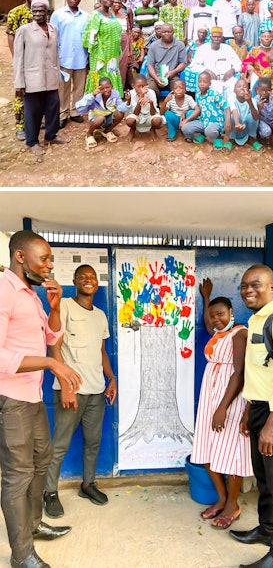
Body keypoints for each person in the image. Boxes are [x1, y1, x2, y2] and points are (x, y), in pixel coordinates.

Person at [0, 231, 85, 568]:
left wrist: (54, 308)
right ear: (20, 257)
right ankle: (21, 555)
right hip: (11, 399)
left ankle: (33, 526)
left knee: (41, 462)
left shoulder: (31, 295)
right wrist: (52, 363)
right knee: (17, 475)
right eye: (45, 258)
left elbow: (51, 335)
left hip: (31, 396)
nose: (50, 265)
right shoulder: (4, 291)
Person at [229, 264, 273, 568]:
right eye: (244, 286)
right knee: (265, 481)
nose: (248, 291)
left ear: (272, 287)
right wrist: (248, 409)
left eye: (255, 285)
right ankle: (267, 531)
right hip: (258, 410)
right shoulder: (255, 321)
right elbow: (260, 371)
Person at [41, 264, 114, 520]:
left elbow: (102, 351)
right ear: (74, 281)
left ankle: (88, 485)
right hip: (71, 392)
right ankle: (49, 492)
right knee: (59, 445)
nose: (88, 280)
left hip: (96, 392)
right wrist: (64, 386)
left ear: (97, 283)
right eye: (82, 276)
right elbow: (54, 346)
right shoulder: (66, 307)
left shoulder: (101, 315)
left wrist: (111, 378)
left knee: (93, 443)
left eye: (92, 277)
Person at [192, 279, 252, 531]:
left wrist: (223, 408)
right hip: (210, 398)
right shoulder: (218, 333)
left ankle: (233, 504)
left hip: (230, 400)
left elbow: (239, 373)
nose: (216, 319)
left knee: (231, 454)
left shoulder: (240, 333)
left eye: (221, 314)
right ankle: (222, 498)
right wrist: (207, 297)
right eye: (213, 315)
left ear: (231, 314)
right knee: (207, 449)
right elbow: (208, 322)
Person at [13, 0, 67, 156]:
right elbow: (18, 59)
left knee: (53, 108)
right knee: (33, 112)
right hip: (32, 78)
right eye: (34, 10)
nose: (37, 13)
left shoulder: (53, 29)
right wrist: (19, 83)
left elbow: (55, 54)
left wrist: (58, 75)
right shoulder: (23, 30)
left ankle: (50, 135)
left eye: (41, 11)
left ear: (47, 12)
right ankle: (32, 141)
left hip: (50, 77)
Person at [50, 0, 89, 130]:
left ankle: (75, 111)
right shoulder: (58, 15)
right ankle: (63, 113)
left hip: (81, 58)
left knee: (79, 87)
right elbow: (53, 36)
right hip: (64, 58)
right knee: (63, 88)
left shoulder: (86, 16)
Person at [7, 0, 42, 140]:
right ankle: (20, 126)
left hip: (39, 59)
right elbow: (10, 35)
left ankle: (36, 120)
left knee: (39, 92)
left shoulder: (42, 12)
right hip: (23, 60)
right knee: (21, 92)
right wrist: (16, 58)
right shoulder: (16, 13)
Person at [83, 0, 124, 96]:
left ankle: (111, 102)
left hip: (112, 54)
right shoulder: (95, 15)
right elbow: (90, 36)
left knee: (112, 74)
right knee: (100, 76)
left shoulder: (112, 15)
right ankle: (97, 104)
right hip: (100, 54)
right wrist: (97, 51)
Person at [188, 27, 240, 98]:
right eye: (214, 37)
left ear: (222, 38)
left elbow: (239, 64)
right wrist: (206, 70)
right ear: (210, 37)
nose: (216, 39)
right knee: (215, 89)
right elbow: (193, 66)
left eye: (218, 37)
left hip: (228, 79)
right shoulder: (203, 49)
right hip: (211, 80)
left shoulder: (227, 48)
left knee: (235, 86)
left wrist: (232, 70)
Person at [144, 24, 187, 95]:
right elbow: (150, 65)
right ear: (160, 33)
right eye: (164, 32)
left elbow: (183, 63)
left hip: (172, 76)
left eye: (169, 32)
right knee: (150, 91)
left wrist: (173, 72)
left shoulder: (180, 45)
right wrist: (156, 78)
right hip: (155, 76)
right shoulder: (154, 45)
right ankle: (155, 105)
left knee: (179, 89)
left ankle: (173, 105)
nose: (166, 34)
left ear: (173, 32)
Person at [124, 73, 165, 138]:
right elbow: (135, 113)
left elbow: (153, 113)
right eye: (139, 86)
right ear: (133, 86)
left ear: (147, 85)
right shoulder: (131, 93)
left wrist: (151, 103)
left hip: (149, 116)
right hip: (138, 116)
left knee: (157, 121)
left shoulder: (151, 92)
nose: (141, 89)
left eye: (143, 86)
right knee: (130, 121)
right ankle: (132, 129)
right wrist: (141, 97)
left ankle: (152, 129)